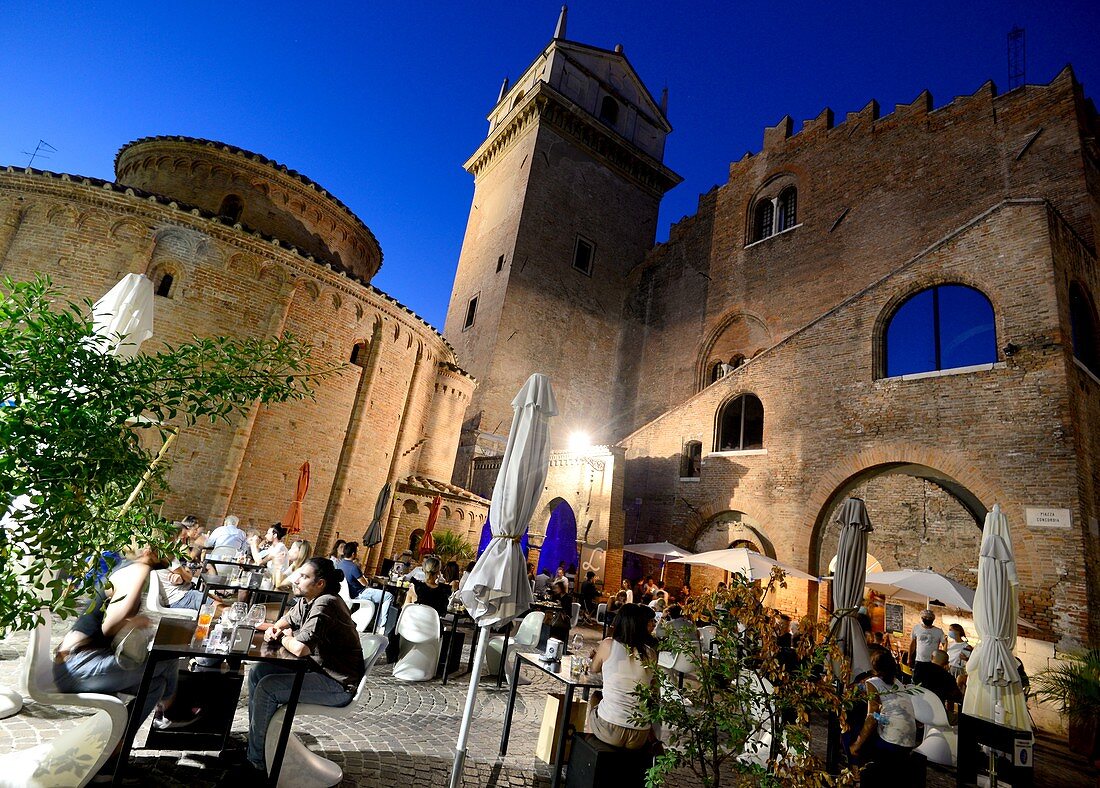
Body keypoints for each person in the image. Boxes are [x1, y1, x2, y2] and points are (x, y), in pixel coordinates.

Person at [239, 558, 364, 777]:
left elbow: (301, 649)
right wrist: (274, 630)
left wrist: (285, 638)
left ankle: (256, 762)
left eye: (304, 577)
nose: (296, 579)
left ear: (320, 583)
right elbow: (285, 621)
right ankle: (258, 746)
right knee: (259, 671)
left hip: (337, 684)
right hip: (317, 671)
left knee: (268, 687)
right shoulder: (307, 600)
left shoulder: (326, 603)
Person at [54, 546, 188, 749]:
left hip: (73, 664)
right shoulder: (138, 570)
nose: (171, 552)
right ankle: (170, 712)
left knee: (155, 685)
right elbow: (109, 626)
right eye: (167, 546)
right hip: (77, 666)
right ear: (149, 550)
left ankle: (116, 746)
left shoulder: (126, 567)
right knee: (167, 660)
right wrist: (135, 622)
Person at [587, 604, 656, 749]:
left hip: (611, 729)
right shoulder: (651, 654)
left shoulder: (608, 644)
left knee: (595, 697)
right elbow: (652, 687)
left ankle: (591, 749)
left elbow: (593, 669)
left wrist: (597, 658)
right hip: (640, 733)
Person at [849, 650, 916, 776]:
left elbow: (872, 716)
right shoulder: (897, 682)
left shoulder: (873, 682)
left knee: (854, 733)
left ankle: (856, 772)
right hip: (910, 739)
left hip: (891, 741)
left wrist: (857, 744)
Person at [908, 609, 946, 686]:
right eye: (926, 617)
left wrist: (942, 660)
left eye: (930, 618)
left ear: (933, 619)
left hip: (932, 662)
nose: (928, 619)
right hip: (919, 660)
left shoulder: (938, 631)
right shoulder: (916, 628)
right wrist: (909, 658)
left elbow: (944, 645)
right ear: (922, 618)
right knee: (917, 683)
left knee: (930, 683)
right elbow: (912, 644)